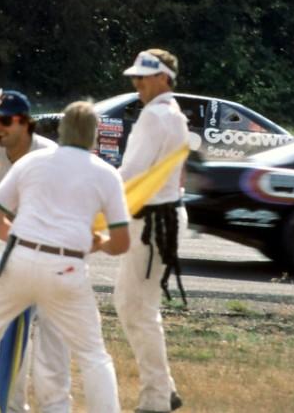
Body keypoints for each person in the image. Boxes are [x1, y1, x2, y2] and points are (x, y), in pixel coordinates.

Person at [0, 101, 131, 413]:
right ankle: (58, 407)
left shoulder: (32, 161)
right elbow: (122, 243)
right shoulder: (107, 174)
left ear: (61, 130)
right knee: (92, 355)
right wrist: (97, 243)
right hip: (66, 266)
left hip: (18, 259)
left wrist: (19, 241)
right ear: (95, 136)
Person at [0, 89, 72, 413]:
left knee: (53, 338)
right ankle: (13, 408)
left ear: (25, 122)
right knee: (9, 334)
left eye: (5, 119)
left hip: (55, 254)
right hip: (20, 251)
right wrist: (17, 242)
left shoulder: (50, 153)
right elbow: (0, 212)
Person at [114, 49, 189, 413]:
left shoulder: (155, 116)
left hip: (151, 220)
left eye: (143, 77)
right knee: (136, 306)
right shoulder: (173, 114)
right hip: (163, 217)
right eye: (135, 77)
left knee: (136, 308)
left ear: (163, 78)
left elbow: (131, 173)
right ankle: (164, 389)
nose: (137, 83)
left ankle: (157, 399)